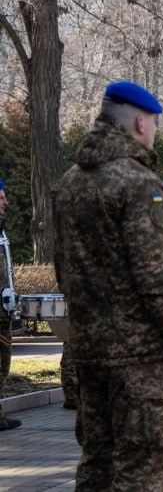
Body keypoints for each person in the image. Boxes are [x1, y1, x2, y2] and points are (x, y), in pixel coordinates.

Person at [51, 81, 163, 487]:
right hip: (139, 359)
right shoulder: (140, 185)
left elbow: (63, 267)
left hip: (89, 353)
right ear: (139, 123)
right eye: (153, 123)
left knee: (97, 466)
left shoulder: (70, 184)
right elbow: (159, 278)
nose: (153, 131)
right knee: (142, 471)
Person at [1, 178, 20, 432]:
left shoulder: (2, 230)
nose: (5, 202)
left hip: (3, 310)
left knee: (3, 363)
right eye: (1, 198)